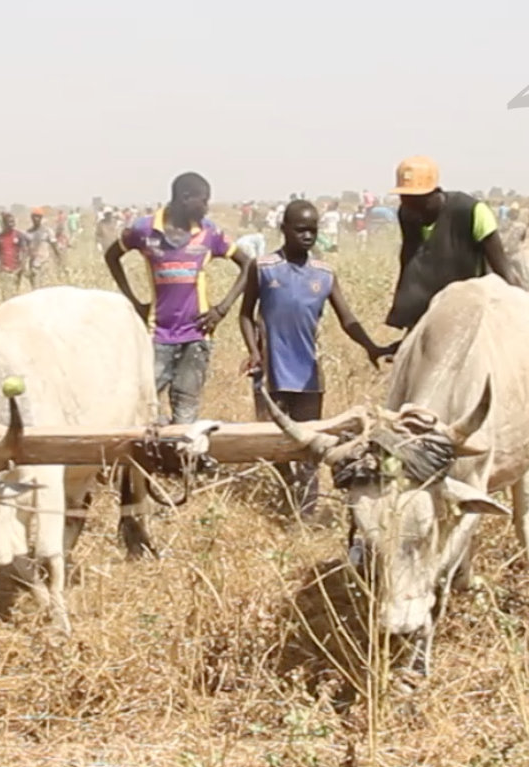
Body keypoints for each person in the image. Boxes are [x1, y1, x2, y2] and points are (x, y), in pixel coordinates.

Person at [240, 200, 386, 518]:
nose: (307, 236)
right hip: (270, 371)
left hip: (308, 374)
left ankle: (306, 510)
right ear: (284, 229)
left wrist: (372, 347)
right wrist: (254, 351)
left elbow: (347, 319)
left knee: (310, 444)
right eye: (300, 229)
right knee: (273, 441)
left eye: (313, 230)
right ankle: (287, 491)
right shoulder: (263, 267)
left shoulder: (324, 274)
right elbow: (246, 315)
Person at [106, 172, 252, 424]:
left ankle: (179, 448)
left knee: (186, 411)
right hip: (157, 335)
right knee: (143, 407)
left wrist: (222, 309)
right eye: (203, 201)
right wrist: (134, 302)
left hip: (196, 336)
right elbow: (112, 256)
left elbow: (248, 264)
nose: (207, 207)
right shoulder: (144, 230)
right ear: (185, 198)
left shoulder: (209, 233)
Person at [382, 156, 517, 344]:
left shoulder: (473, 212)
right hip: (425, 310)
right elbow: (409, 261)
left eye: (415, 199)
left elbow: (503, 269)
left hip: (468, 307)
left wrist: (520, 309)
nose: (409, 205)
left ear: (434, 192)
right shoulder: (407, 214)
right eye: (404, 198)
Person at [0, 211, 26, 298]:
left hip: (16, 269)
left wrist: (22, 266)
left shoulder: (19, 235)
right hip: (4, 270)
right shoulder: (0, 237)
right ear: (4, 223)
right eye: (9, 222)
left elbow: (24, 251)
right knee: (5, 294)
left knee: (15, 294)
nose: (11, 224)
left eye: (13, 222)